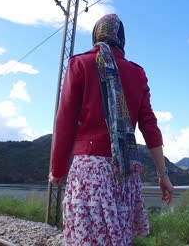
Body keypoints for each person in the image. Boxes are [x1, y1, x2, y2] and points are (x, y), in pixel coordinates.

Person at [48, 14, 174, 246]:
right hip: (124, 172)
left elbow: (65, 121)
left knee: (85, 239)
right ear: (121, 38)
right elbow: (150, 127)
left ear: (96, 34)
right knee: (118, 239)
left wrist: (57, 169)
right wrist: (162, 174)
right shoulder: (136, 73)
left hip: (90, 170)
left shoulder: (80, 64)